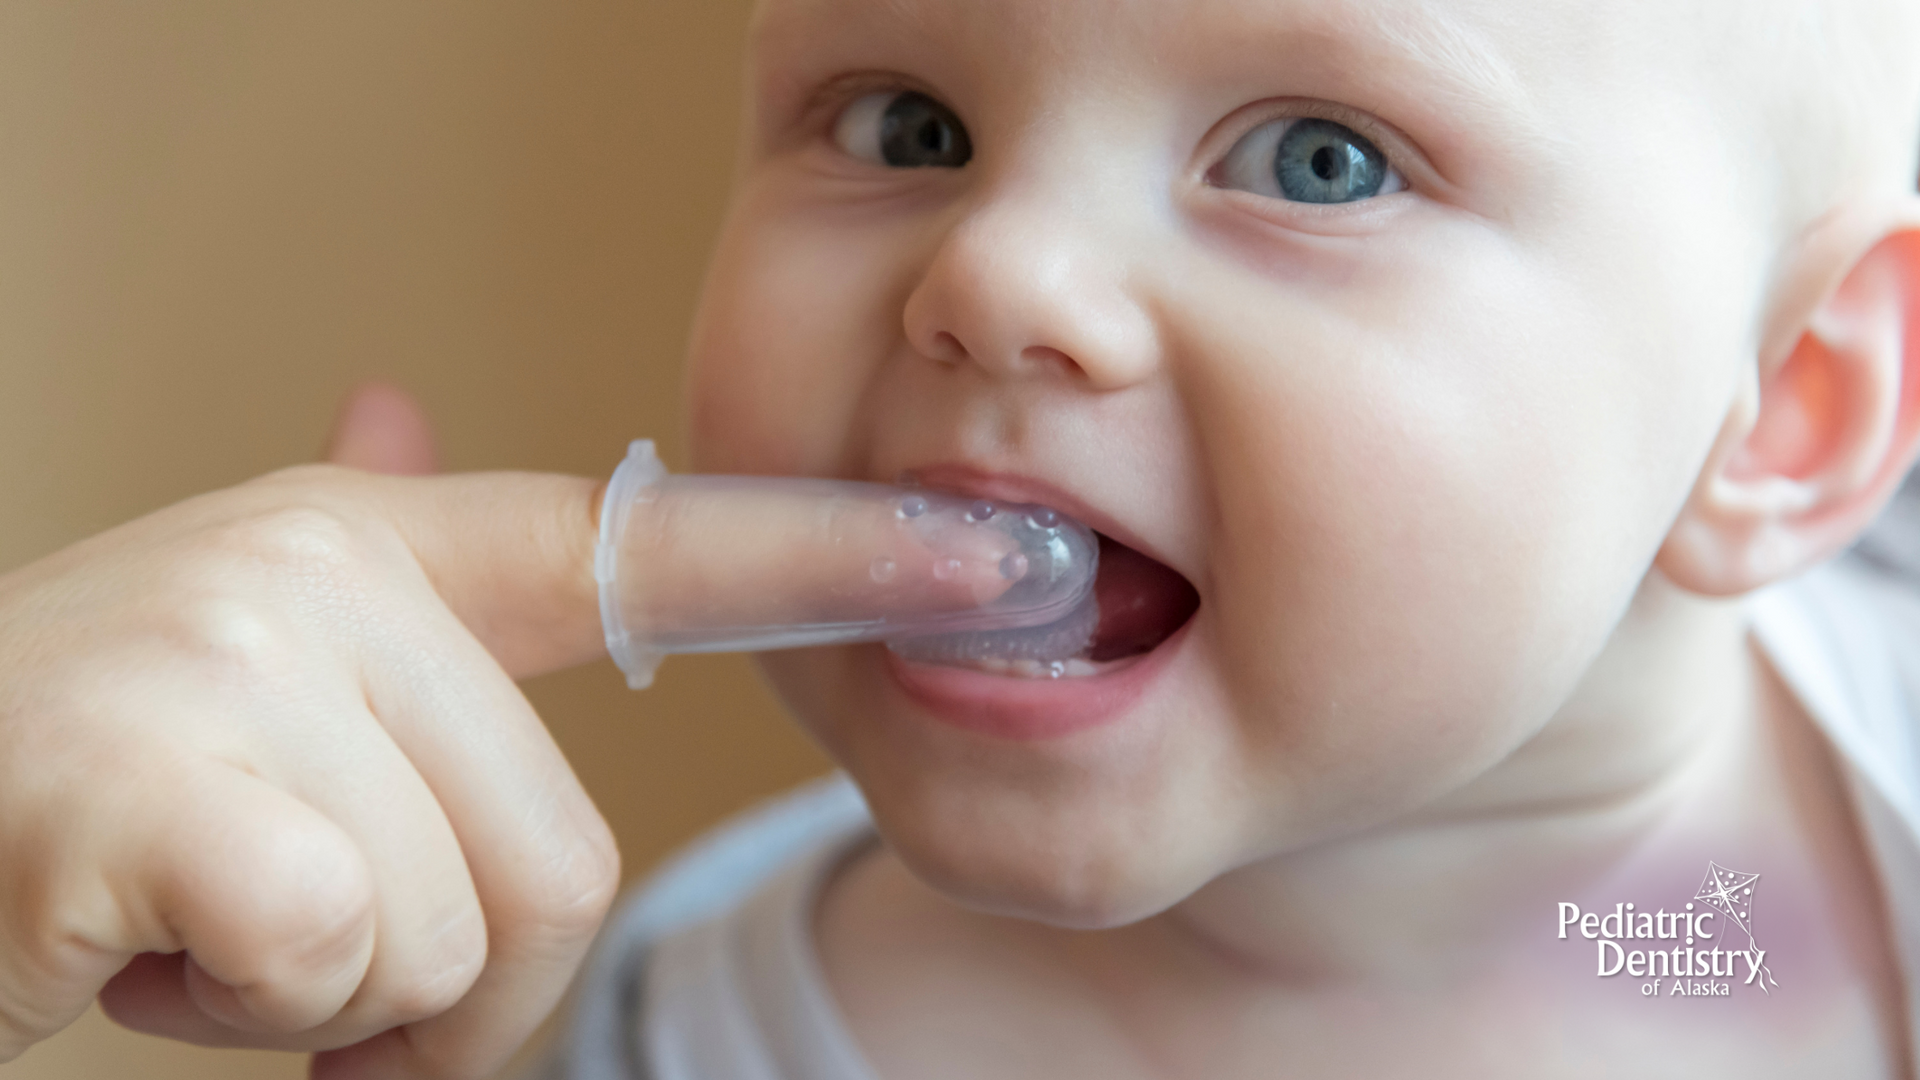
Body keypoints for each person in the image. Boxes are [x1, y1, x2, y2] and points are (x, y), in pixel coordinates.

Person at [5, 0, 1920, 1076]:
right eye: (908, 122)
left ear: (1794, 406)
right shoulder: (680, 1043)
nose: (993, 271)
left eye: (1317, 160)